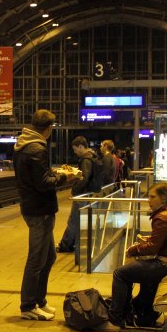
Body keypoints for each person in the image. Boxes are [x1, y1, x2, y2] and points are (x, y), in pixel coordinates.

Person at [108, 182, 167, 329]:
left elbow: (152, 248)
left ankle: (115, 318)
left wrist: (133, 250)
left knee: (121, 273)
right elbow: (165, 241)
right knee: (145, 273)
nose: (148, 200)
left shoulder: (163, 216)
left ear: (164, 198)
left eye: (152, 197)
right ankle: (144, 316)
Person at [13, 109, 74, 321]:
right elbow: (42, 184)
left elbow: (38, 177)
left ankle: (40, 301)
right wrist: (65, 177)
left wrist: (54, 174)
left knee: (48, 257)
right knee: (36, 259)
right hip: (39, 210)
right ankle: (28, 305)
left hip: (36, 207)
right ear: (49, 128)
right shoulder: (37, 148)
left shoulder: (25, 144)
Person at [56, 136, 102, 254]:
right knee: (78, 220)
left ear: (81, 146)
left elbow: (84, 177)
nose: (75, 152)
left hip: (83, 193)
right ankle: (73, 243)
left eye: (75, 149)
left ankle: (65, 245)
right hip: (90, 192)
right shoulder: (93, 156)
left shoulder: (86, 160)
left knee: (74, 220)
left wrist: (74, 190)